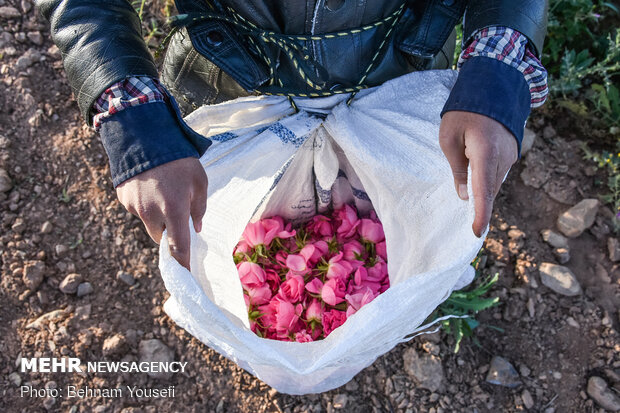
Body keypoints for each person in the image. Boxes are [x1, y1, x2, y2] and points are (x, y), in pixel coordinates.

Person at [36, 0, 548, 269]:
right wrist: (127, 111)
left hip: (399, 73)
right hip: (223, 83)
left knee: (390, 225)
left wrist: (498, 58)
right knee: (234, 226)